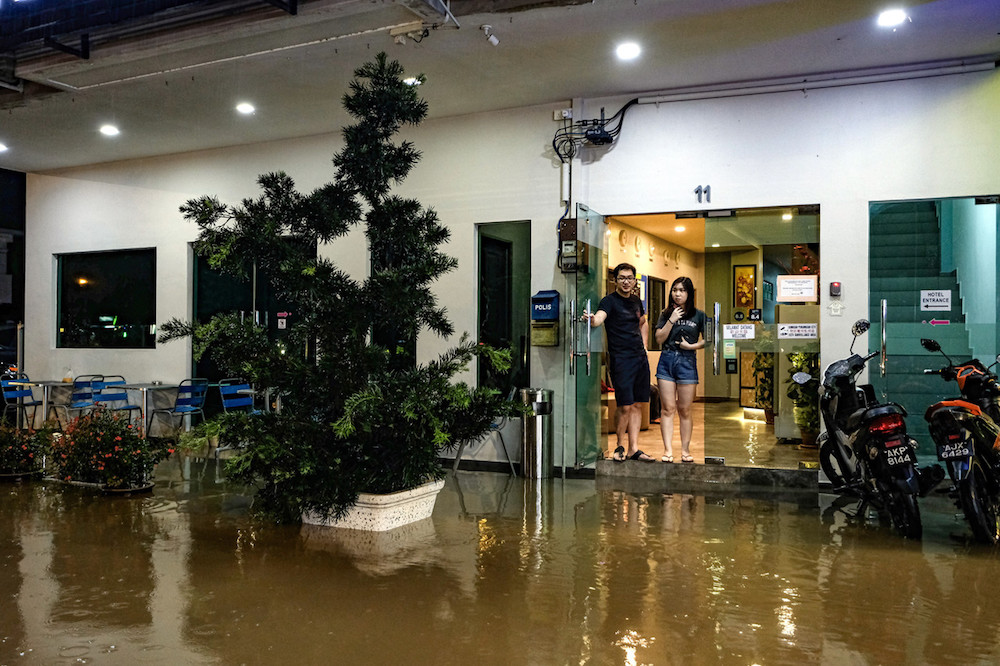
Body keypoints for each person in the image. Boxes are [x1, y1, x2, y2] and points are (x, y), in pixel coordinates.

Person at [583, 262, 654, 462]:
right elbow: (599, 319)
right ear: (615, 280)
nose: (626, 282)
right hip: (621, 359)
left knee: (639, 404)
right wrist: (591, 320)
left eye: (629, 278)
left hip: (639, 358)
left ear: (634, 281)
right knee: (625, 405)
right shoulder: (609, 301)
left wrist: (645, 347)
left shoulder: (636, 301)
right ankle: (620, 446)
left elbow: (643, 322)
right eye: (622, 278)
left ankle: (634, 449)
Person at [654, 276, 706, 463]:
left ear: (689, 293)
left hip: (687, 362)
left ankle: (685, 450)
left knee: (685, 409)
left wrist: (691, 347)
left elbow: (709, 340)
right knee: (667, 408)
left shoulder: (699, 315)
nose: (677, 293)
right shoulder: (665, 313)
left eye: (682, 290)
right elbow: (659, 338)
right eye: (674, 290)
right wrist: (671, 319)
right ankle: (668, 450)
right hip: (667, 359)